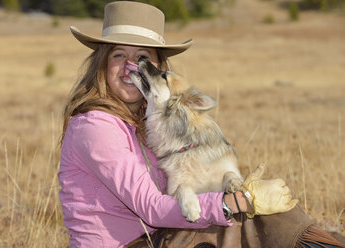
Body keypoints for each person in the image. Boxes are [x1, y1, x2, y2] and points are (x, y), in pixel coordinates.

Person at [58, 1, 344, 248]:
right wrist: (238, 202)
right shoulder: (95, 127)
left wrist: (232, 192)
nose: (131, 66)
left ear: (158, 70)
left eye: (142, 57)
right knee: (237, 221)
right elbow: (152, 209)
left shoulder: (147, 124)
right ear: (102, 63)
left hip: (156, 237)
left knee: (247, 216)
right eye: (119, 55)